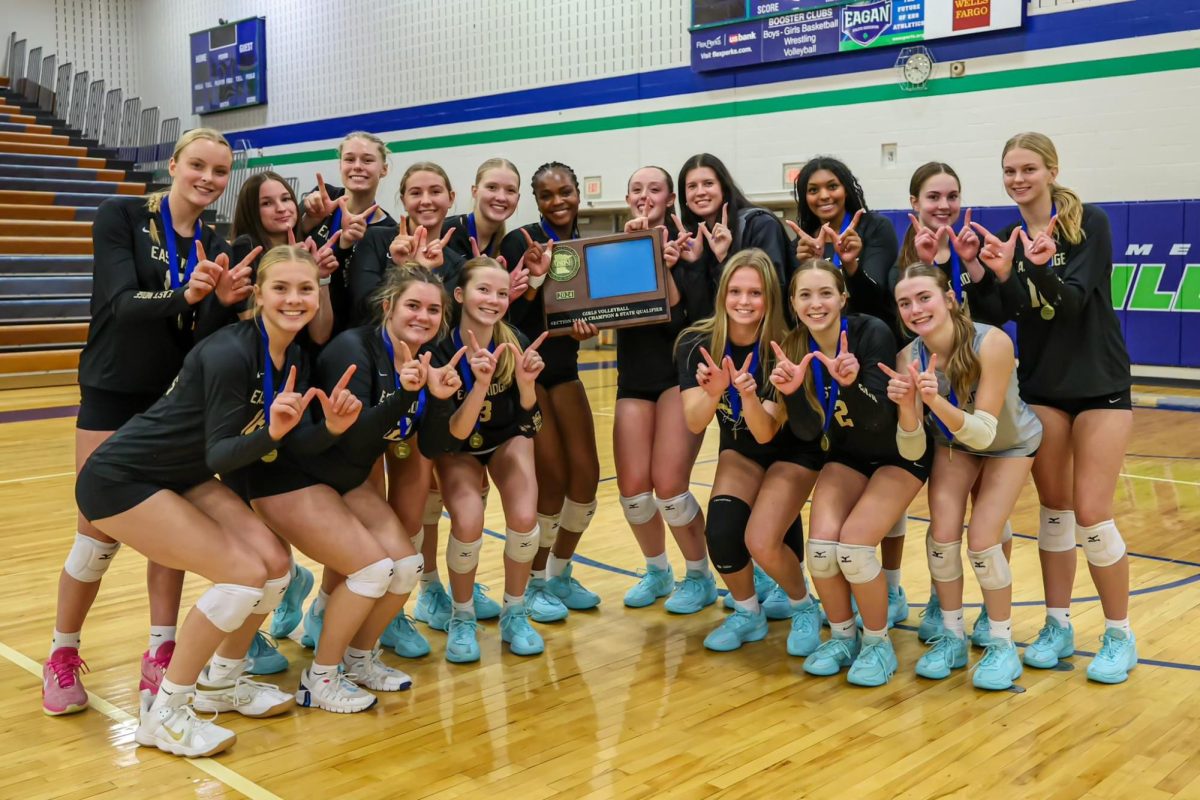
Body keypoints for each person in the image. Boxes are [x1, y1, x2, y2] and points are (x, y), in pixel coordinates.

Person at [71, 245, 347, 756]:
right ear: (259, 294)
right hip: (123, 477)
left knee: (274, 567)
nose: (293, 298)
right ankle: (165, 712)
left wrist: (329, 428)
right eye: (280, 288)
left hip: (181, 473)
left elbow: (285, 439)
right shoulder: (229, 352)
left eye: (305, 288)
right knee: (242, 576)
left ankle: (222, 683)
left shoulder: (295, 356)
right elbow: (225, 450)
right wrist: (272, 433)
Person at [43, 128, 256, 716]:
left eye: (219, 171)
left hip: (172, 405)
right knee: (97, 534)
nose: (208, 179)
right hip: (112, 391)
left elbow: (201, 339)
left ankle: (161, 652)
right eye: (198, 165)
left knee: (171, 537)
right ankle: (62, 652)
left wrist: (224, 302)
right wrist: (189, 296)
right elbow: (119, 303)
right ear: (174, 164)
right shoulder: (121, 215)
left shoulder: (219, 241)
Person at [248, 265, 464, 710]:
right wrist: (407, 396)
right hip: (300, 477)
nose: (422, 316)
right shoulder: (353, 348)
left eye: (432, 309)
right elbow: (353, 436)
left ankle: (359, 659)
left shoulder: (429, 358)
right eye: (412, 305)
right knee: (373, 570)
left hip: (345, 479)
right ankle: (319, 679)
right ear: (388, 306)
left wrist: (439, 402)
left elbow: (436, 444)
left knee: (407, 568)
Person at [972, 132, 1136, 683]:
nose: (1018, 179)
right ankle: (1057, 623)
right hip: (1043, 387)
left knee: (1092, 513)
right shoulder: (1006, 235)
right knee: (1055, 511)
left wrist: (1035, 268)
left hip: (1099, 384)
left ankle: (1119, 633)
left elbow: (1070, 303)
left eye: (1028, 169)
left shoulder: (1090, 223)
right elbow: (1001, 315)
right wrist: (983, 274)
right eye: (1009, 170)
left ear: (1051, 170)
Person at [772, 260, 930, 686]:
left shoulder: (870, 332)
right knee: (821, 551)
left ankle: (878, 644)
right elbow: (807, 431)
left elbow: (881, 419)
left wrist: (851, 383)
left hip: (899, 453)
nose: (816, 303)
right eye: (805, 295)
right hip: (849, 455)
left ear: (843, 297)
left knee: (855, 551)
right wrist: (792, 397)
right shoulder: (794, 344)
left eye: (825, 293)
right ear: (793, 303)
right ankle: (843, 636)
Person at [887, 264, 1042, 690]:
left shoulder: (991, 341)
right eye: (905, 303)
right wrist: (906, 409)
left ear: (949, 299)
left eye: (924, 298)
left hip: (1008, 443)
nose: (915, 309)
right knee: (941, 538)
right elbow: (913, 449)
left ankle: (1002, 644)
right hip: (955, 445)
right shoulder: (908, 358)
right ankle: (952, 636)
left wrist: (933, 401)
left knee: (983, 542)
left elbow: (985, 431)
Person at [676, 250, 825, 653]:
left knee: (762, 540)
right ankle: (748, 613)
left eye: (755, 293)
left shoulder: (787, 344)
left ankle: (803, 605)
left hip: (793, 450)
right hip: (739, 450)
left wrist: (744, 394)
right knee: (722, 534)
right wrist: (713, 394)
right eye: (736, 291)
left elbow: (765, 432)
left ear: (770, 298)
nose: (744, 301)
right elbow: (694, 422)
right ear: (723, 293)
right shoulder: (695, 342)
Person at [889, 162, 1010, 644]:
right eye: (932, 197)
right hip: (939, 401)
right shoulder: (902, 260)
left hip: (984, 396)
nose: (942, 205)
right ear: (914, 203)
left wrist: (975, 266)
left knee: (988, 520)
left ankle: (988, 613)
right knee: (945, 522)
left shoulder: (974, 245)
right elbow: (904, 322)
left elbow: (1000, 313)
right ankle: (945, 600)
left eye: (951, 196)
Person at [425, 257, 547, 662]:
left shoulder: (514, 342)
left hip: (507, 438)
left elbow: (532, 421)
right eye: (482, 290)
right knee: (468, 521)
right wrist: (478, 385)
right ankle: (462, 616)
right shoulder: (439, 348)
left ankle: (515, 611)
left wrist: (528, 387)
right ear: (459, 295)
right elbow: (454, 434)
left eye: (500, 293)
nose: (492, 300)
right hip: (457, 446)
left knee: (526, 520)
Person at [499, 162, 601, 623]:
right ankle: (535, 580)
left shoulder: (587, 245)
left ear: (579, 192)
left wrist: (591, 327)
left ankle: (559, 571)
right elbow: (508, 312)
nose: (558, 201)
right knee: (553, 480)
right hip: (528, 372)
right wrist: (536, 282)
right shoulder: (519, 241)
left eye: (565, 191)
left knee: (586, 478)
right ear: (535, 201)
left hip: (566, 368)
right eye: (546, 195)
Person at [614, 166, 714, 613]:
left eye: (655, 189)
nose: (645, 195)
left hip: (679, 375)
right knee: (634, 492)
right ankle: (657, 571)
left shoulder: (687, 244)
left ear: (671, 198)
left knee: (670, 487)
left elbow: (678, 315)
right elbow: (601, 309)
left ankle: (699, 576)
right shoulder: (613, 249)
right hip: (633, 378)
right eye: (637, 188)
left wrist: (659, 254)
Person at [298, 131, 396, 335]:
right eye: (349, 159)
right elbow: (284, 248)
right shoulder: (323, 199)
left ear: (384, 169)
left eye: (367, 160)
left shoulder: (387, 231)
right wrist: (309, 220)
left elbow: (362, 297)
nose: (357, 166)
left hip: (341, 332)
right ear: (340, 165)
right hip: (296, 316)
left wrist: (344, 246)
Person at [789, 157, 898, 325]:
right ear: (805, 197)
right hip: (823, 340)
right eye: (813, 190)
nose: (824, 196)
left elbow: (875, 299)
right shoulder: (803, 246)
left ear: (845, 190)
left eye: (832, 186)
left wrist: (850, 265)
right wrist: (812, 268)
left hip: (871, 336)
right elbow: (795, 309)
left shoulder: (874, 227)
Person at [675, 153, 793, 307]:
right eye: (692, 186)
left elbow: (773, 290)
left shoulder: (760, 224)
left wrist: (725, 258)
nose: (700, 192)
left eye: (708, 183)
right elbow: (703, 314)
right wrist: (696, 264)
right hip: (720, 330)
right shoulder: (693, 240)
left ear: (723, 187)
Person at [443, 158, 521, 259]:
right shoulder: (445, 233)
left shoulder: (510, 247)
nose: (501, 197)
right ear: (475, 191)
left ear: (518, 198)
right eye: (492, 187)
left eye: (510, 190)